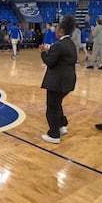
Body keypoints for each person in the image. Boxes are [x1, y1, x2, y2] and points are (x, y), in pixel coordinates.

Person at [39, 15, 77, 144]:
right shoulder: (71, 44)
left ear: (61, 30)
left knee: (52, 107)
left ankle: (54, 134)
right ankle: (61, 126)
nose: (55, 31)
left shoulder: (59, 45)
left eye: (57, 29)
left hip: (57, 81)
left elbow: (50, 62)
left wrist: (43, 52)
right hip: (68, 80)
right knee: (57, 103)